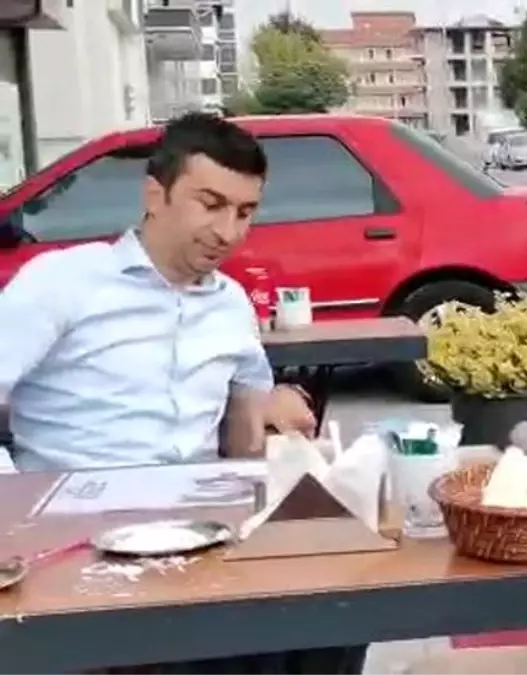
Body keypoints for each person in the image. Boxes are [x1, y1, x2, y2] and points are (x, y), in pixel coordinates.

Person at [0, 113, 363, 673]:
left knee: (338, 609)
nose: (229, 232)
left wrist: (271, 416)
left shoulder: (232, 305)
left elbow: (247, 440)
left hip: (198, 535)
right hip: (73, 545)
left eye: (245, 212)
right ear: (155, 194)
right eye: (210, 204)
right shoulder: (62, 284)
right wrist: (14, 515)